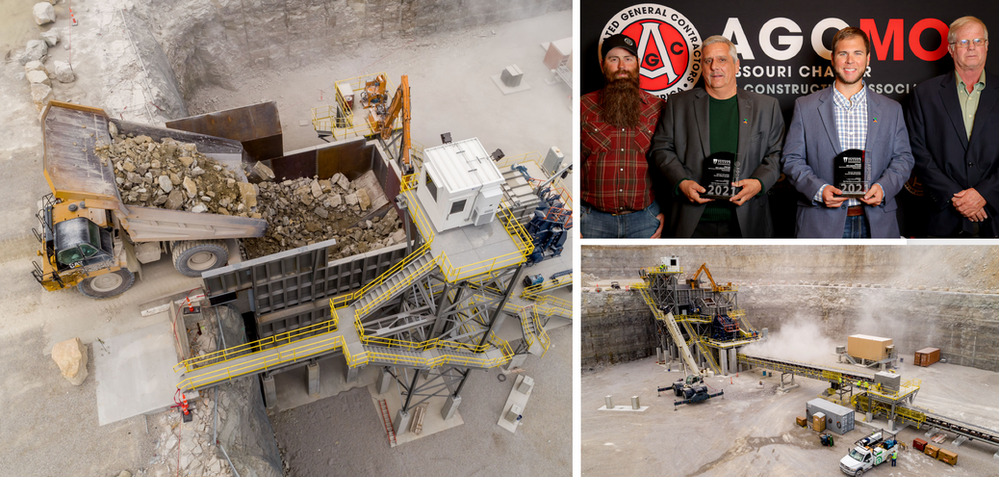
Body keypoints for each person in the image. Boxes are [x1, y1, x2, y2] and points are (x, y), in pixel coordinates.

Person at [782, 27, 914, 238]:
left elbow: (903, 158)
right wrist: (819, 190)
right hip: (820, 223)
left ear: (868, 59)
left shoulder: (891, 109)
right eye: (843, 53)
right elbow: (791, 160)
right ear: (833, 59)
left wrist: (884, 188)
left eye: (857, 53)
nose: (850, 60)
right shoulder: (805, 107)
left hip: (877, 223)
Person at [649, 35, 785, 237]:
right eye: (708, 61)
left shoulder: (766, 106)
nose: (714, 66)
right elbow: (661, 149)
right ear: (702, 67)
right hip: (692, 221)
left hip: (746, 220)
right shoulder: (679, 104)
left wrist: (759, 183)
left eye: (722, 59)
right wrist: (681, 182)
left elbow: (777, 153)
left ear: (736, 65)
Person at [908, 16, 999, 237]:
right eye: (964, 42)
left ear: (987, 45)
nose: (971, 47)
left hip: (995, 214)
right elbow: (917, 151)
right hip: (942, 218)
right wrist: (956, 197)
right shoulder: (924, 94)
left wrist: (984, 193)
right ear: (951, 49)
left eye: (978, 41)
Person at [580, 33, 666, 238]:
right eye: (614, 59)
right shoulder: (583, 106)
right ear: (603, 65)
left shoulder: (658, 108)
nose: (622, 66)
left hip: (644, 220)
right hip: (591, 221)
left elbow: (669, 164)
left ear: (638, 63)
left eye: (628, 59)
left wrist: (667, 213)